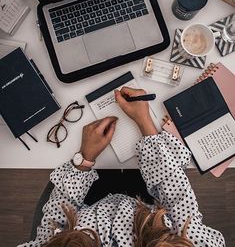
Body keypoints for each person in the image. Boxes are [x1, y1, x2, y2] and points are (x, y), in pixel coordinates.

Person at [18, 87, 225, 247]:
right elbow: (178, 199)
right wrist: (145, 122)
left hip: (78, 208)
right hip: (150, 205)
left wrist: (83, 160)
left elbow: (55, 222)